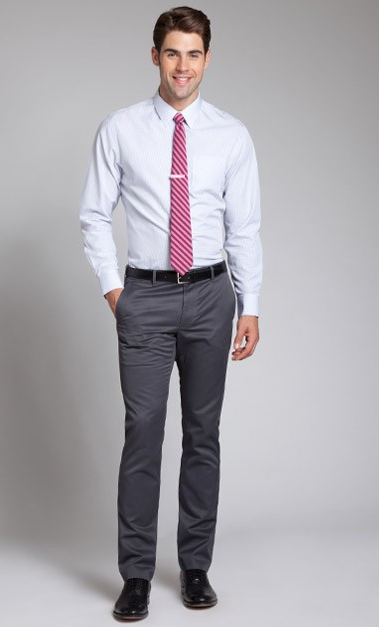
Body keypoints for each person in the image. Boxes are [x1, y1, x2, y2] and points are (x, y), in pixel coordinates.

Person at [79, 5, 262, 621]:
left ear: (207, 59)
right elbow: (93, 214)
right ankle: (135, 575)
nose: (183, 66)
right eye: (173, 53)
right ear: (155, 56)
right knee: (144, 431)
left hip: (212, 295)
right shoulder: (121, 129)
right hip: (146, 297)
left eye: (194, 54)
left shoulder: (231, 135)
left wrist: (251, 304)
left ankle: (195, 567)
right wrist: (116, 292)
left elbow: (244, 227)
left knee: (203, 434)